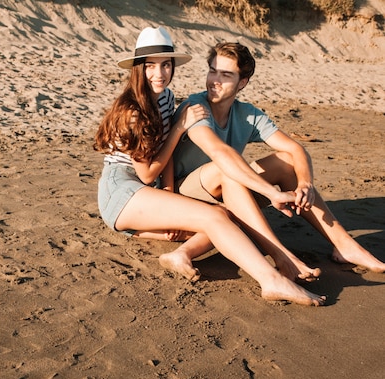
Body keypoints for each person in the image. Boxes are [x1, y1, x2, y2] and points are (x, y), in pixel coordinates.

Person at [94, 27, 326, 306]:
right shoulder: (133, 110)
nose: (159, 74)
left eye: (166, 65)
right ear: (138, 69)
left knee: (226, 216)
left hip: (150, 190)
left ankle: (178, 252)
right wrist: (180, 127)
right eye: (150, 66)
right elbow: (146, 173)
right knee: (214, 219)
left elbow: (165, 157)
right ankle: (271, 280)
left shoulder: (166, 97)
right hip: (123, 189)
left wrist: (170, 197)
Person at [162, 41, 385, 279]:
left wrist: (305, 184)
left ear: (242, 82)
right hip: (185, 195)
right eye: (212, 71)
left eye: (225, 74)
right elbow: (219, 152)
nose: (214, 80)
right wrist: (271, 193)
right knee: (225, 167)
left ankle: (344, 245)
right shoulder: (195, 107)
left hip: (225, 188)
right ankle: (282, 256)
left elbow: (295, 149)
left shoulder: (246, 113)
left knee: (285, 161)